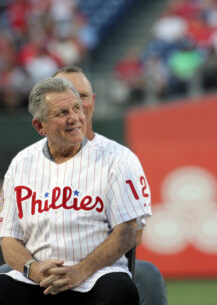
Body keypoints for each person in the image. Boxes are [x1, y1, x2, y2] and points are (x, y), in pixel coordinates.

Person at [0, 65, 168, 305]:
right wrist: (33, 269)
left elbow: (130, 232)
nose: (74, 118)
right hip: (37, 279)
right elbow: (8, 238)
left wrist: (79, 271)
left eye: (77, 106)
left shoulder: (118, 159)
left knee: (120, 288)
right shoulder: (21, 164)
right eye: (62, 112)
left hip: (96, 277)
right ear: (40, 126)